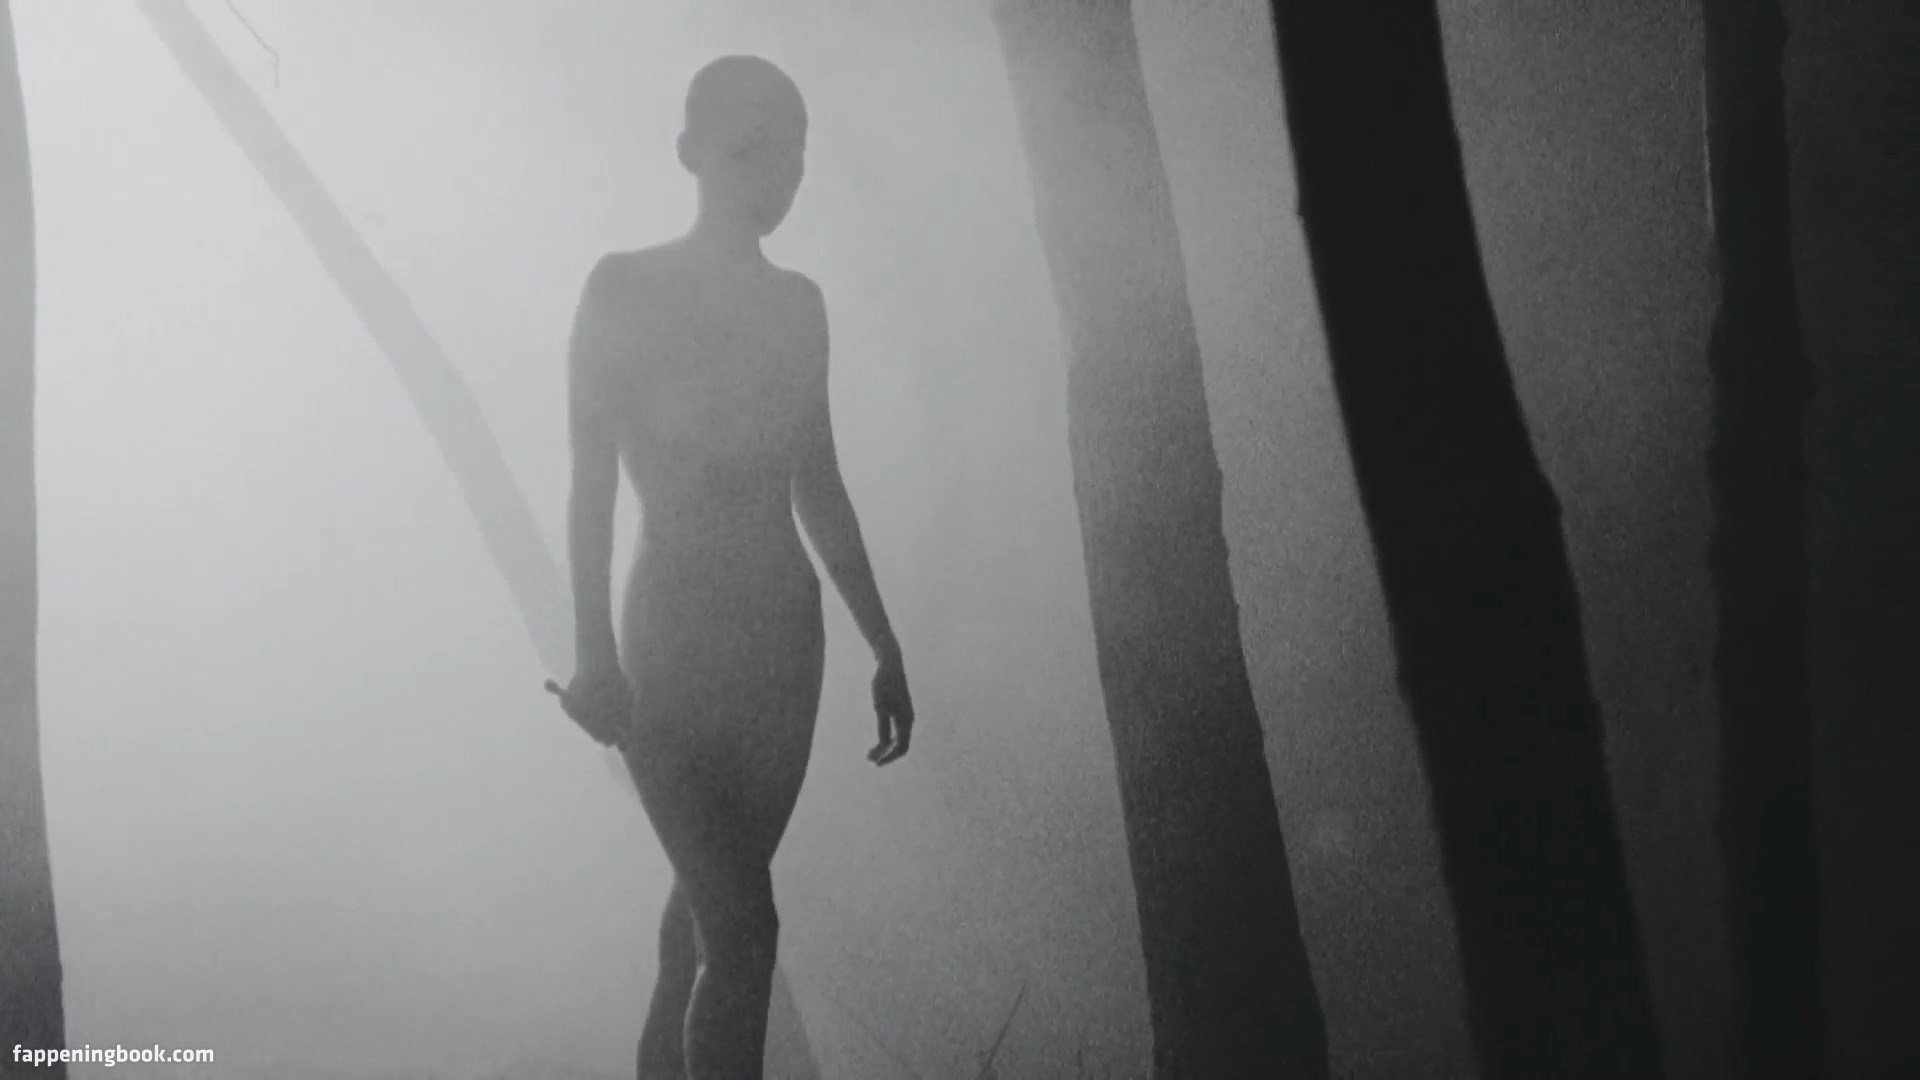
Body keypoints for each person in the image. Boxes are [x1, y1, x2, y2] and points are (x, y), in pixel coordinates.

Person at [546, 55, 915, 1080]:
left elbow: (819, 483)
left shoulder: (801, 306)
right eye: (756, 146)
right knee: (744, 931)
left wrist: (883, 642)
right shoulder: (621, 287)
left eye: (793, 152)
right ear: (691, 153)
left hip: (783, 649)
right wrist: (594, 654)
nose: (779, 172)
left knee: (707, 925)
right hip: (667, 645)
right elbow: (591, 481)